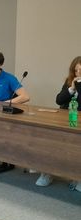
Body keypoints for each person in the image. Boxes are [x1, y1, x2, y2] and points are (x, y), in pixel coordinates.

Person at [36, 56, 81, 189]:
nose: (78, 73)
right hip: (64, 120)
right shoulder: (69, 82)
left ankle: (77, 177)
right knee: (51, 140)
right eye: (76, 70)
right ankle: (47, 172)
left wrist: (79, 87)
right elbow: (59, 100)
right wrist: (71, 89)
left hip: (78, 123)